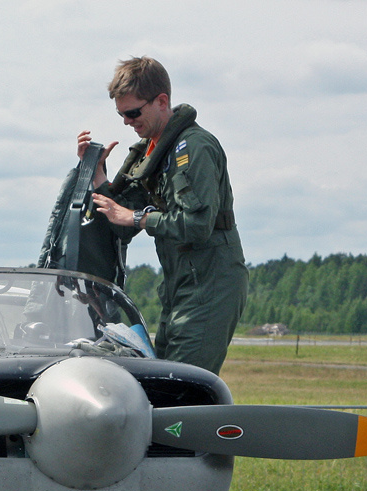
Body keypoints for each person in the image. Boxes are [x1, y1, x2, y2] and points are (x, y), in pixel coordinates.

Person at [79, 56, 248, 375]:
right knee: (164, 379)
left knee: (183, 384)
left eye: (133, 113)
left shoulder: (193, 148)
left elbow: (197, 224)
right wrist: (98, 175)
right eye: (121, 114)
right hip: (179, 282)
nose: (127, 122)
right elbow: (121, 227)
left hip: (210, 282)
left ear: (161, 101)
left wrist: (137, 218)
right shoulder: (152, 153)